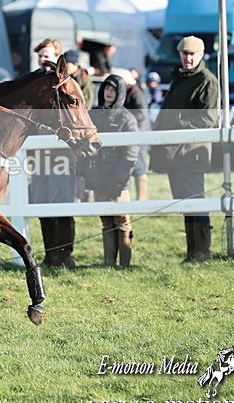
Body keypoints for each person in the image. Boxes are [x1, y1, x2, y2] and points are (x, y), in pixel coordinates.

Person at [149, 36, 220, 263]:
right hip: (175, 153)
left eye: (192, 54)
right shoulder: (180, 78)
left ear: (200, 55)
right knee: (185, 204)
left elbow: (207, 119)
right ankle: (193, 253)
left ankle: (201, 253)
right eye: (184, 54)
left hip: (191, 154)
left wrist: (174, 122)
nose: (188, 58)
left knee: (195, 203)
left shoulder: (207, 81)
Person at [29, 38, 80, 268]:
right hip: (39, 159)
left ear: (57, 57)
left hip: (62, 157)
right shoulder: (33, 85)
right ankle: (50, 255)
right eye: (40, 56)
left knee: (62, 205)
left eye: (47, 55)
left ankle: (65, 255)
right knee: (43, 206)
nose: (42, 59)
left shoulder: (68, 84)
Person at [81, 75, 139, 267]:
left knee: (122, 220)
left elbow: (131, 153)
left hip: (117, 179)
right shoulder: (93, 115)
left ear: (120, 93)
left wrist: (120, 180)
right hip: (98, 178)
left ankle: (124, 264)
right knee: (106, 221)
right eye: (106, 88)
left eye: (113, 89)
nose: (108, 92)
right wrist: (87, 176)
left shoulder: (127, 119)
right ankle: (108, 263)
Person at [120, 69, 150, 201]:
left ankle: (141, 200)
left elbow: (141, 114)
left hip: (138, 134)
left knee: (139, 168)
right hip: (133, 133)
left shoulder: (135, 93)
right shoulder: (130, 92)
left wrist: (124, 119)